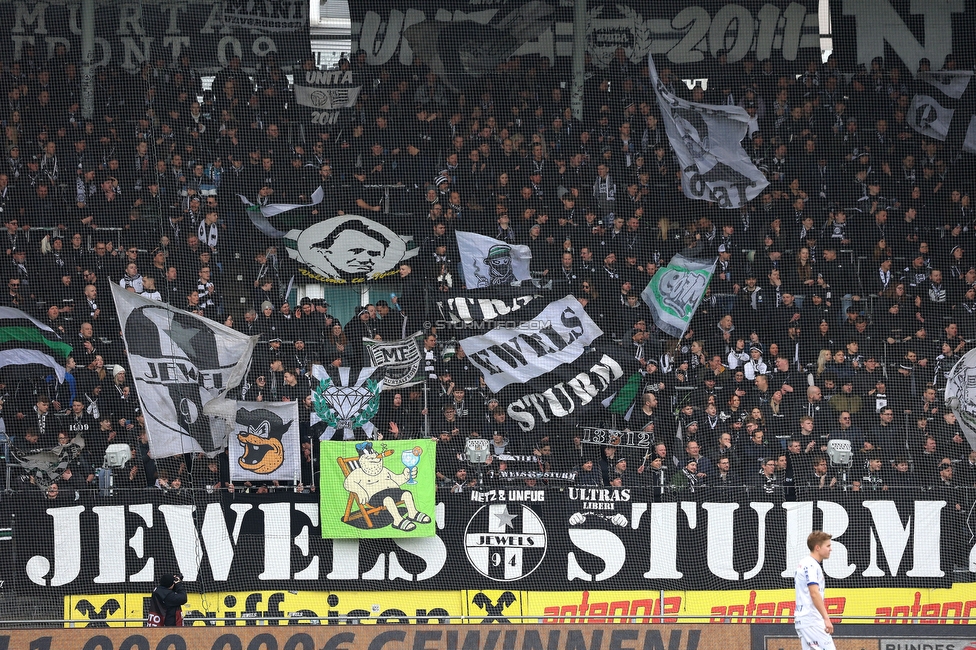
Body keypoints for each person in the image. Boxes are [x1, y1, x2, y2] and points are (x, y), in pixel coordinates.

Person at [794, 531, 835, 650]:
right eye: (828, 546)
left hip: (805, 621)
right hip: (812, 621)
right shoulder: (811, 565)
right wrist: (826, 618)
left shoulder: (805, 563)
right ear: (817, 547)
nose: (830, 549)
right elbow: (814, 593)